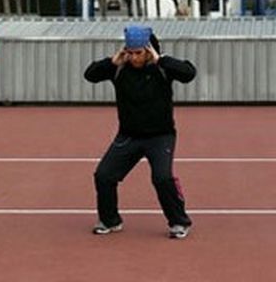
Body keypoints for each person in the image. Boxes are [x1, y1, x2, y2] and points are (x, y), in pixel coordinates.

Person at [84, 25, 197, 239]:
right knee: (104, 176)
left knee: (162, 178)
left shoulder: (162, 68)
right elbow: (89, 75)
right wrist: (111, 61)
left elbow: (189, 73)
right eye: (130, 52)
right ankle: (110, 220)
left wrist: (160, 59)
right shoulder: (119, 68)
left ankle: (179, 222)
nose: (133, 57)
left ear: (148, 51)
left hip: (160, 136)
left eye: (138, 53)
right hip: (129, 136)